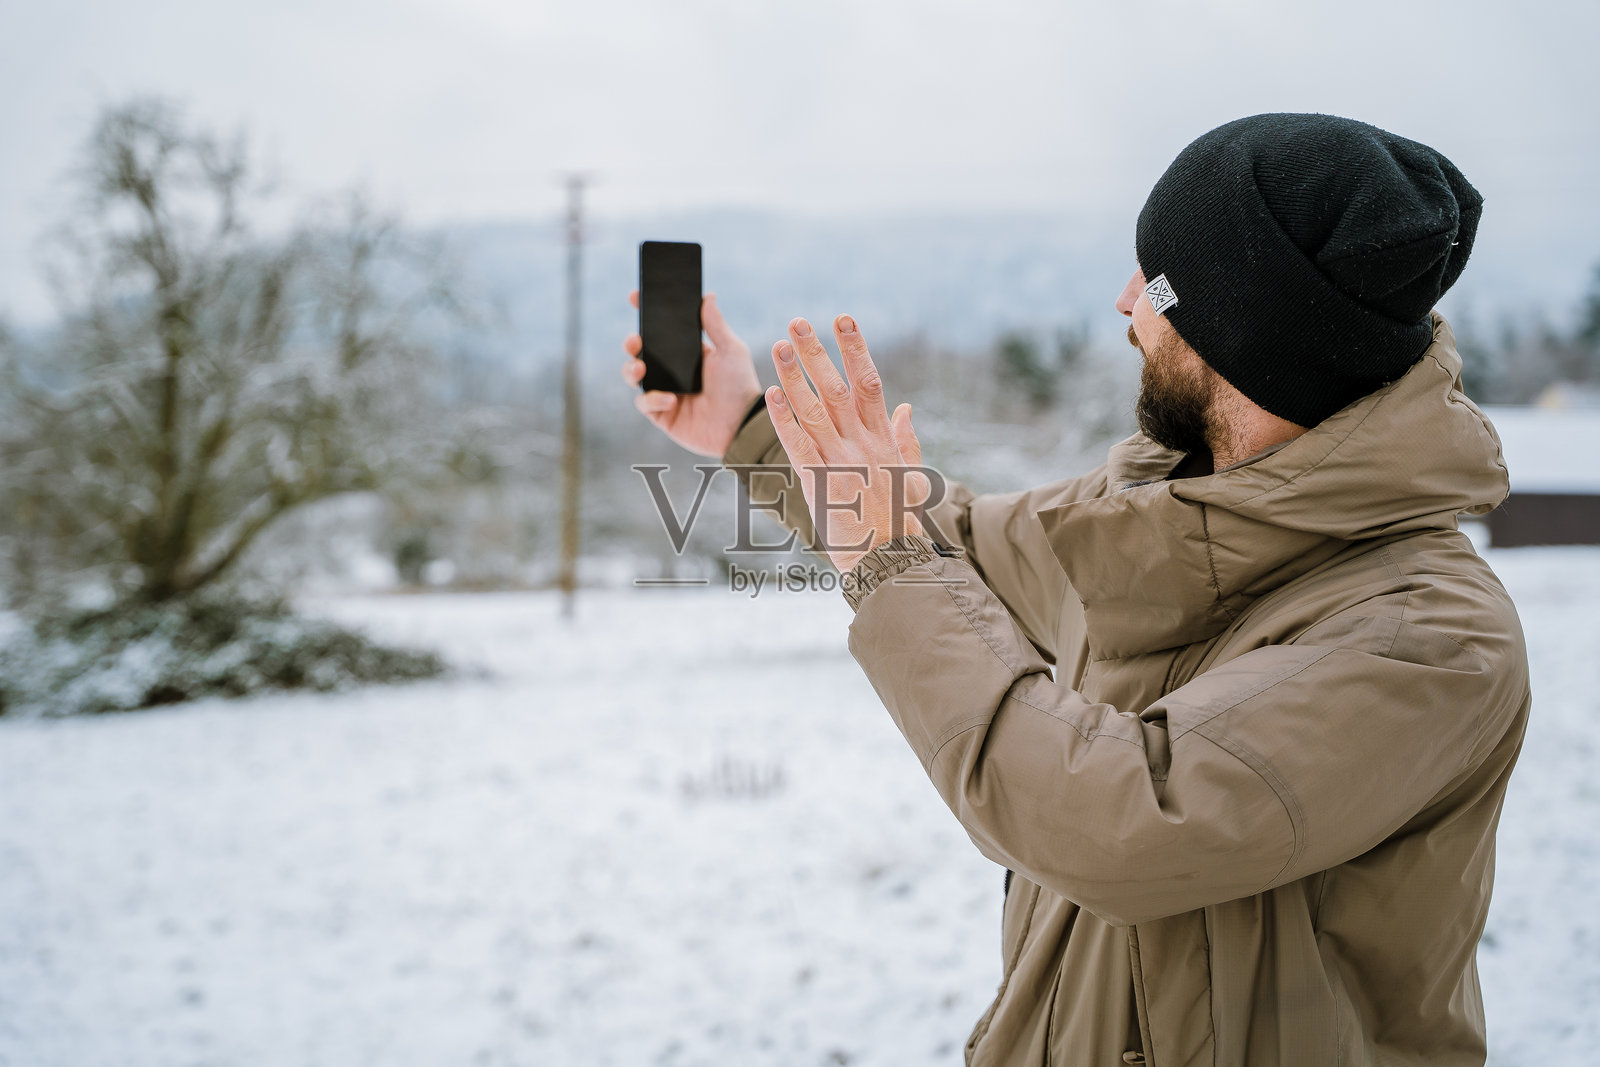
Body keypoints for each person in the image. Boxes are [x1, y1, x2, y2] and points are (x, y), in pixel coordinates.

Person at [620, 113, 1531, 1067]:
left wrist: (888, 558)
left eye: (1157, 278)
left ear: (1248, 324)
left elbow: (1123, 820)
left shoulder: (1427, 635)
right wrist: (745, 424)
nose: (1125, 299)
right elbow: (963, 548)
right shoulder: (1161, 508)